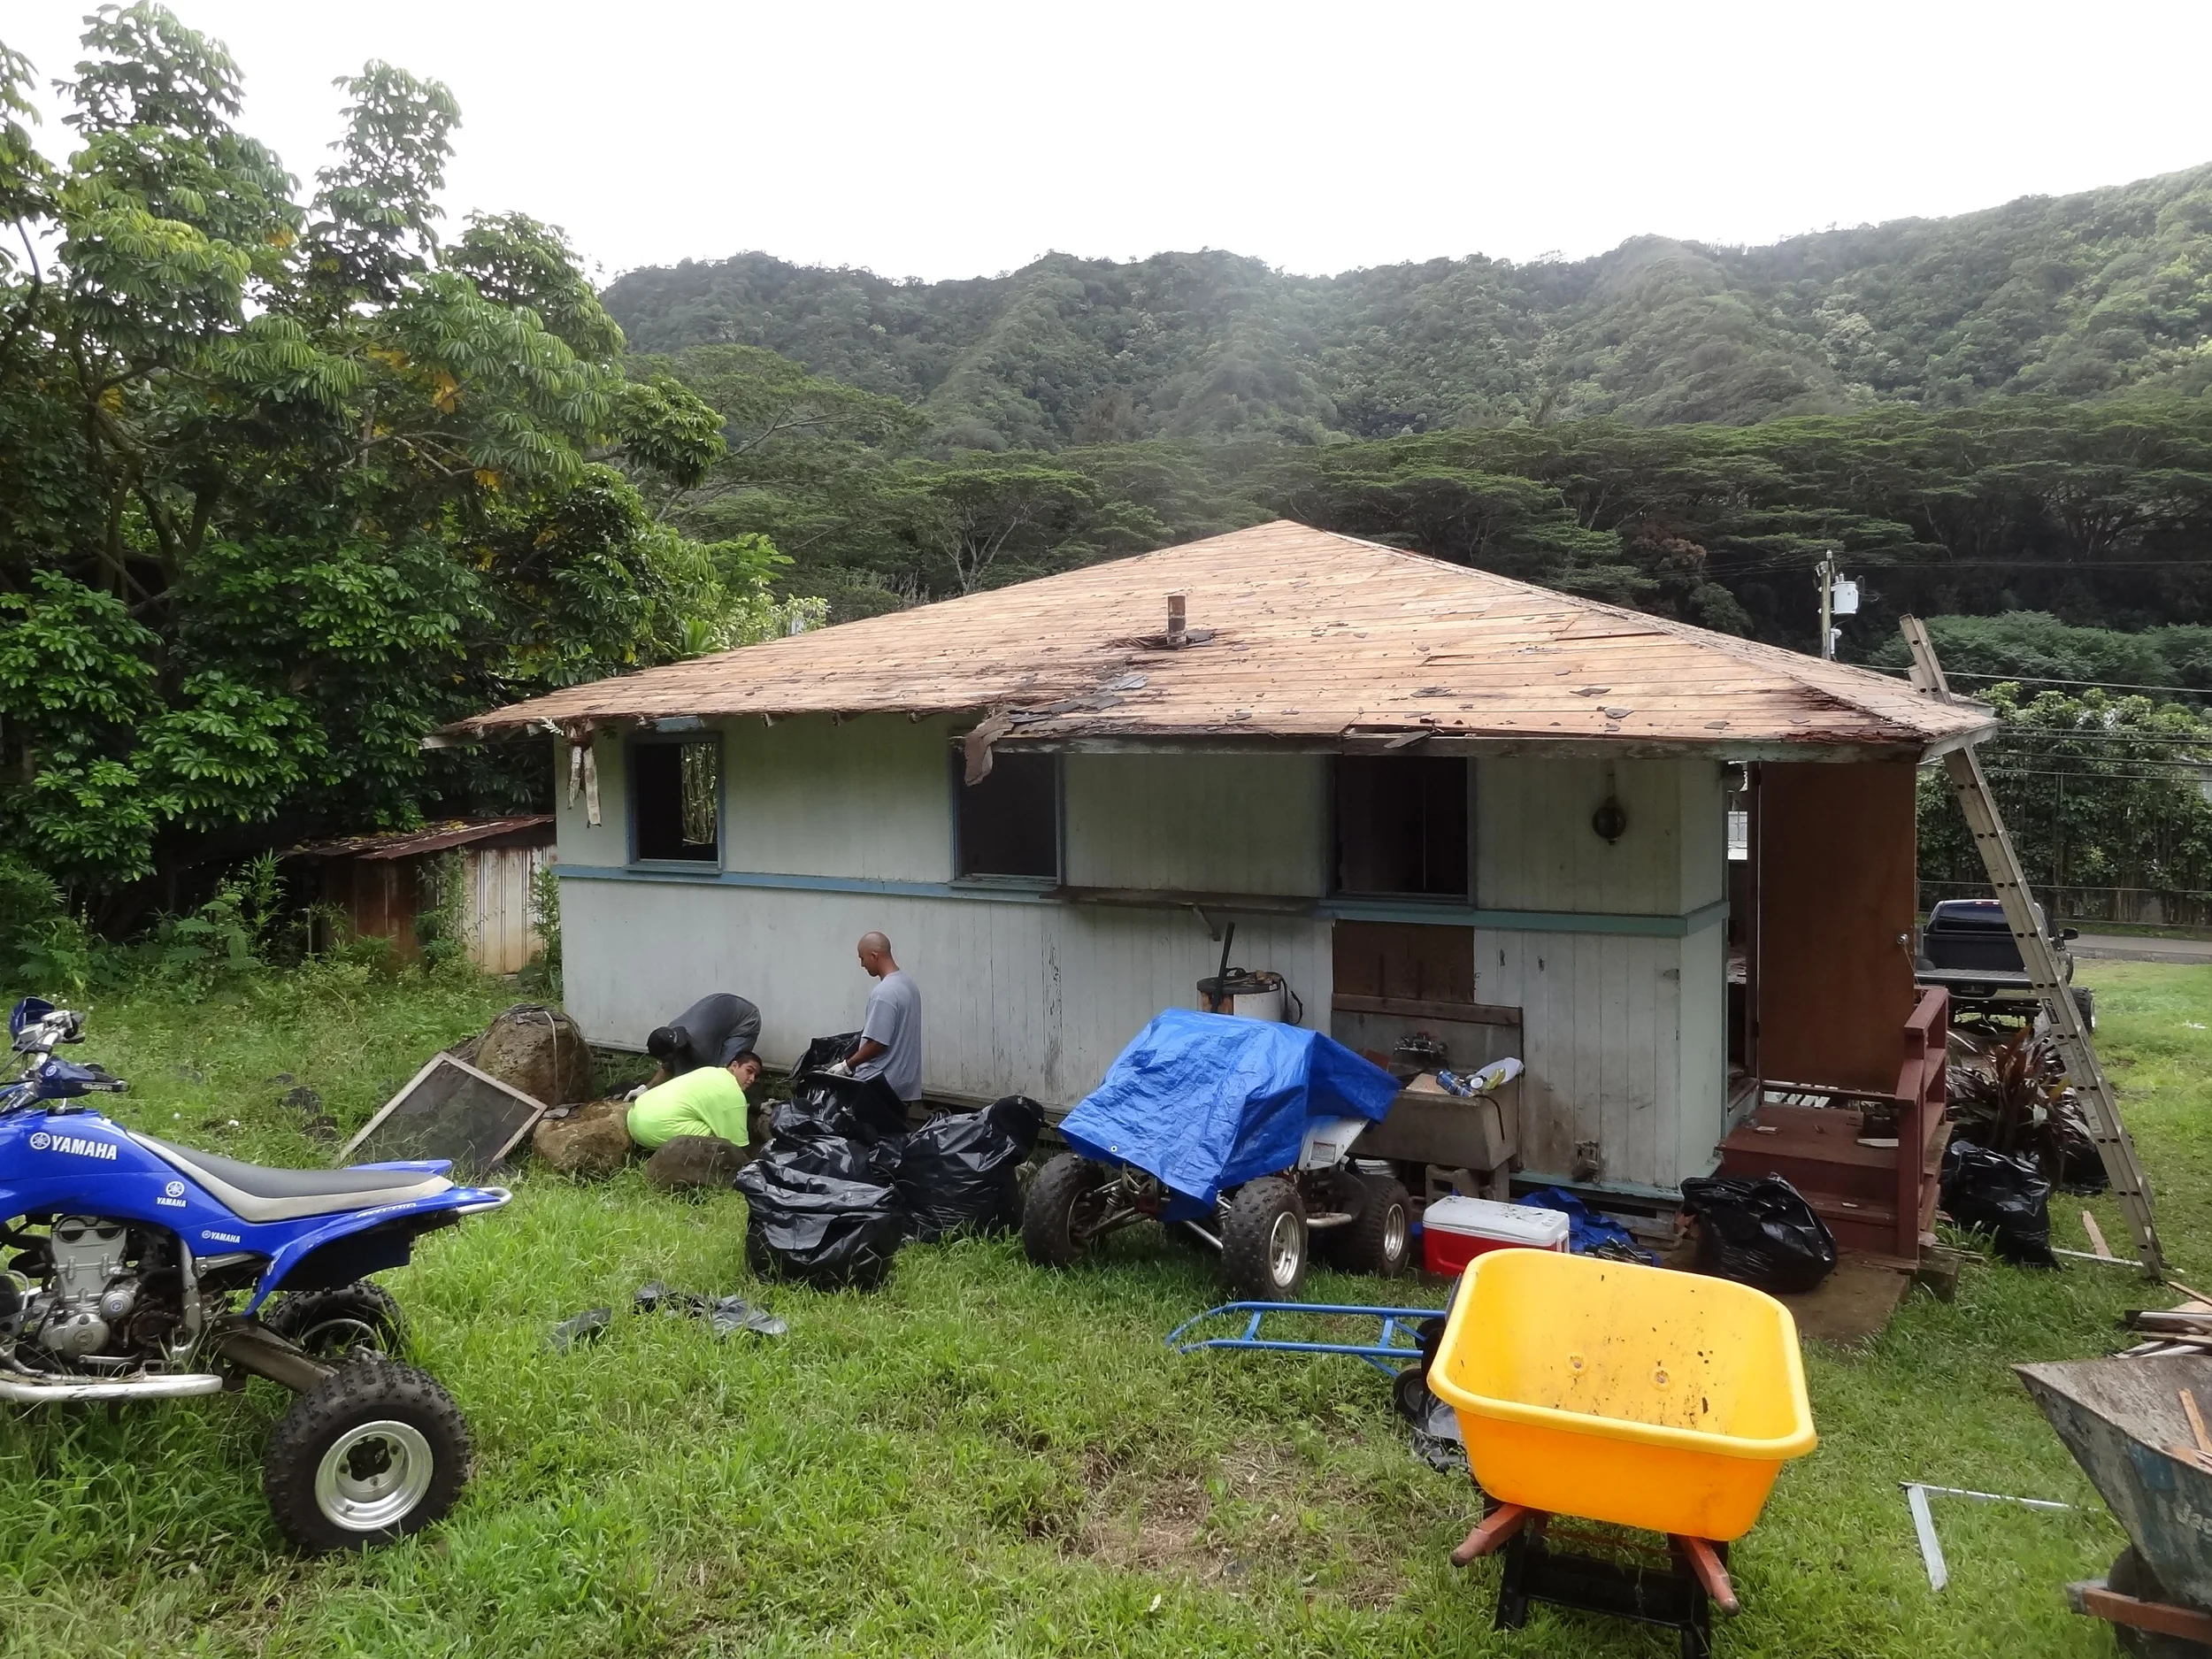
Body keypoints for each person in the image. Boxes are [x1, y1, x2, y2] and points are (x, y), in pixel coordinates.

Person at [627, 1049, 760, 1151]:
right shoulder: (734, 1094)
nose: (752, 1079)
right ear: (734, 1066)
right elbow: (738, 1146)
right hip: (649, 1130)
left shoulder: (710, 1070)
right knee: (721, 1140)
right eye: (749, 1071)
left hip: (635, 1116)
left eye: (755, 1076)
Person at [843, 932, 921, 1103]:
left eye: (862, 958)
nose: (862, 964)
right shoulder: (908, 984)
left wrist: (846, 1066)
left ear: (874, 956)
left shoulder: (884, 993)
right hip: (904, 1086)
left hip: (878, 1087)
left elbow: (877, 1043)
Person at [644, 992, 761, 1085]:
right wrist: (645, 1089)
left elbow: (705, 1079)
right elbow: (668, 1068)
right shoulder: (670, 1034)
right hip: (722, 1008)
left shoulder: (701, 1046)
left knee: (724, 1075)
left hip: (744, 1019)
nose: (663, 1062)